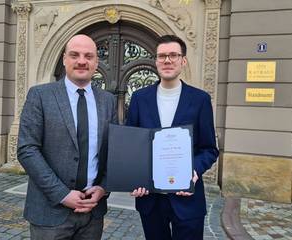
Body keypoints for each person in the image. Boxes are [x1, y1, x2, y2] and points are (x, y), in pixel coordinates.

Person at [17, 34, 117, 240]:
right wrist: (62, 194)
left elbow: (114, 151)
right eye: (75, 55)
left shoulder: (108, 100)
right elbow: (27, 149)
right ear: (64, 59)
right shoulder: (40, 95)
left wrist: (104, 188)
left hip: (93, 211)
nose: (82, 61)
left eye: (88, 56)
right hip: (49, 213)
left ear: (96, 62)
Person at [126, 35, 219, 240]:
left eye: (173, 55)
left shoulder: (200, 99)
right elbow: (131, 146)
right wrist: (135, 178)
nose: (167, 60)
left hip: (187, 198)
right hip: (150, 198)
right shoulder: (140, 98)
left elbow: (209, 149)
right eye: (162, 56)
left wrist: (193, 171)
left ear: (183, 61)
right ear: (156, 61)